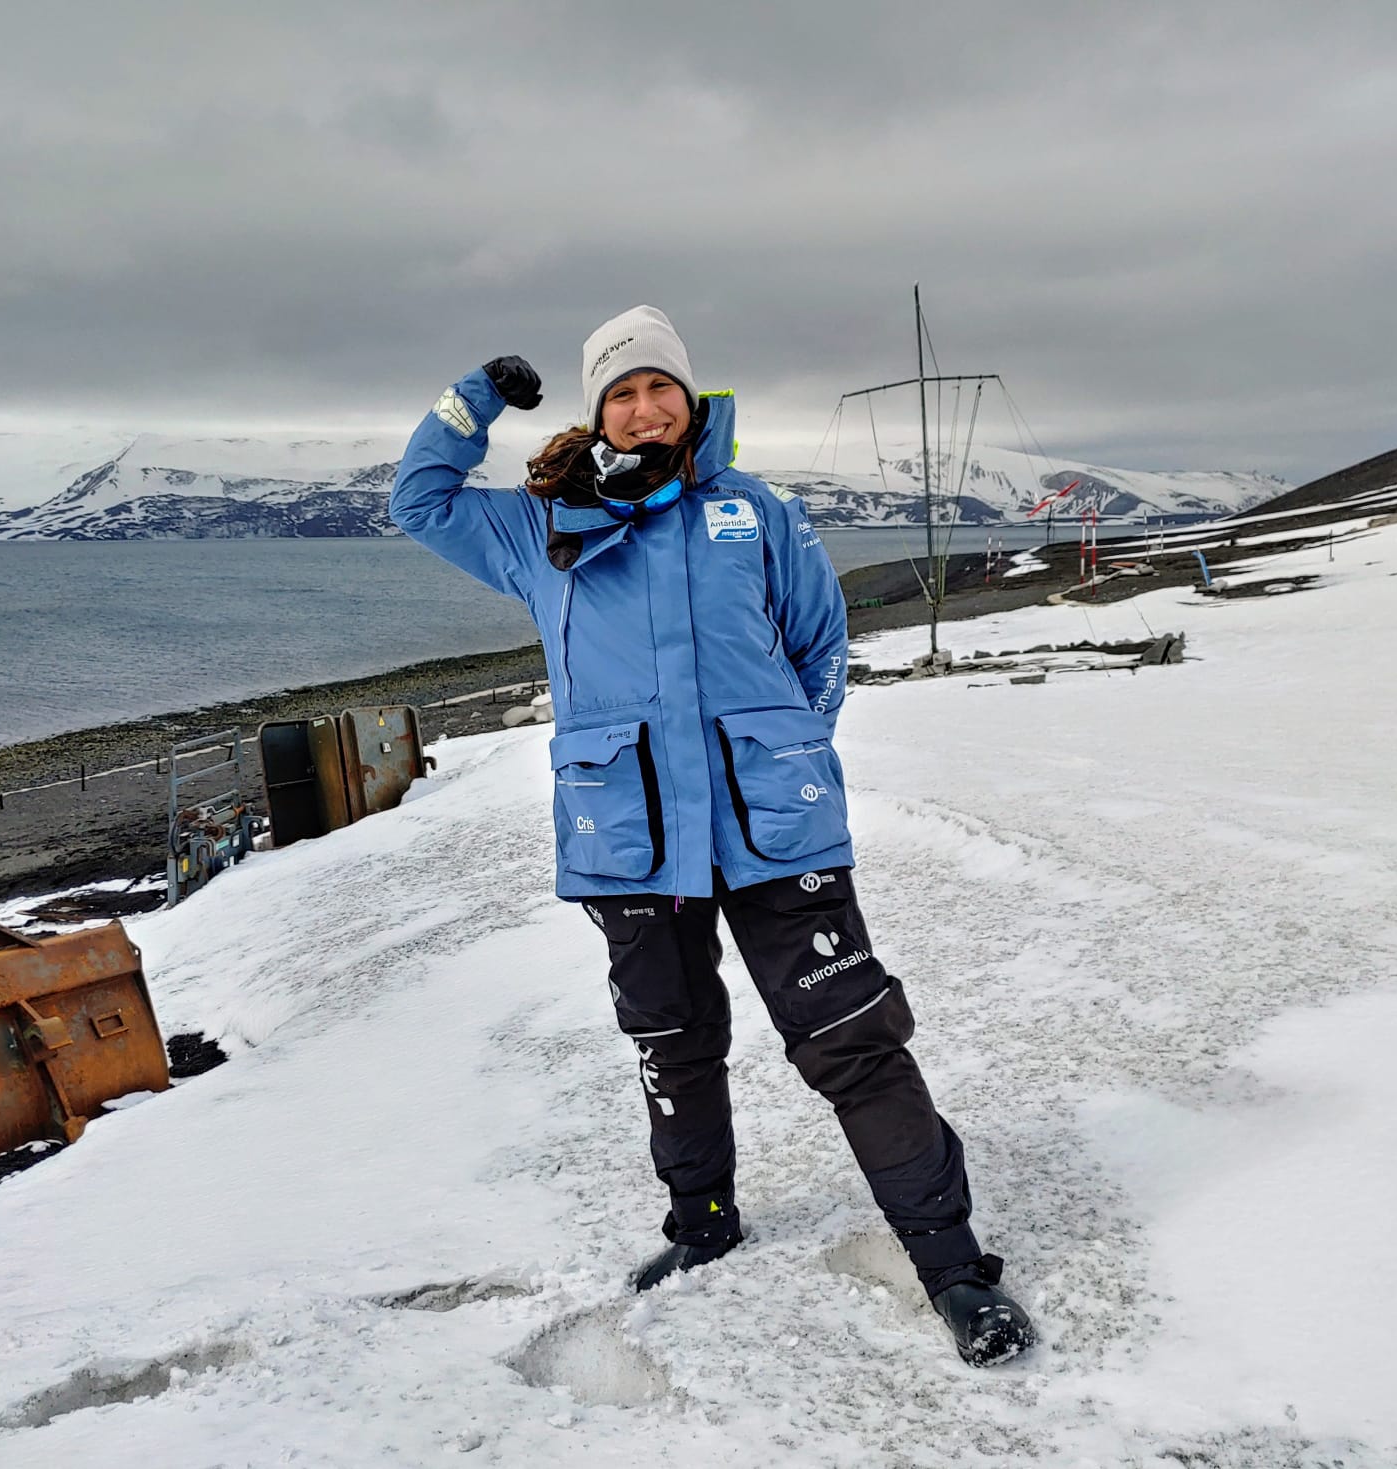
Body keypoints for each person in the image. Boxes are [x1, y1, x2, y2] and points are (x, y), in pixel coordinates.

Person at [389, 306, 1035, 1366]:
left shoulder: (752, 510)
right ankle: (702, 1223)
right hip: (630, 838)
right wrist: (477, 397)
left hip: (776, 833)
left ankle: (954, 1266)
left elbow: (820, 641)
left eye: (660, 388)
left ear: (690, 402)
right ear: (599, 409)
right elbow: (415, 498)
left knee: (853, 1040)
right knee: (672, 1043)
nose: (644, 409)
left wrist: (789, 754)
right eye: (622, 392)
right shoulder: (535, 527)